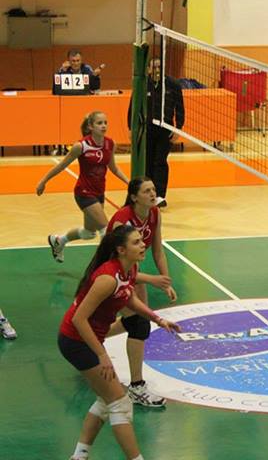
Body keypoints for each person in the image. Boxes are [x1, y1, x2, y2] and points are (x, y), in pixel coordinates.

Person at [58, 225, 180, 460]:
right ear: (121, 250)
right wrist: (102, 355)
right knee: (120, 403)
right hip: (76, 341)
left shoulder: (129, 269)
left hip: (87, 340)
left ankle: (79, 455)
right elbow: (79, 319)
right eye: (136, 242)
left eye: (141, 240)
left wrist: (157, 319)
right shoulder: (107, 278)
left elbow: (129, 299)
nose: (143, 245)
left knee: (106, 401)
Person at [105, 177, 177, 407]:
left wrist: (166, 281)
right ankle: (136, 387)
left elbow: (158, 251)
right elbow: (114, 263)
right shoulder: (122, 220)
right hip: (110, 275)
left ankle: (91, 337)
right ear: (134, 197)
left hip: (131, 271)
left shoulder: (155, 214)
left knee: (136, 321)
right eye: (147, 191)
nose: (153, 194)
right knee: (139, 323)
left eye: (153, 189)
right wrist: (150, 280)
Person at [37, 111, 129, 262]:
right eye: (99, 123)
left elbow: (114, 168)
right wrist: (43, 181)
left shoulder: (110, 144)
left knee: (88, 233)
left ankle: (59, 241)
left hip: (99, 192)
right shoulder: (81, 146)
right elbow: (62, 165)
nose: (104, 126)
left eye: (105, 122)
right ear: (90, 126)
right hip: (84, 193)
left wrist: (128, 182)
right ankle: (103, 265)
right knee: (105, 230)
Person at [146, 57, 185, 208]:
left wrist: (178, 128)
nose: (157, 70)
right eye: (154, 67)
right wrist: (131, 128)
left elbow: (180, 108)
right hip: (148, 129)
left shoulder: (173, 84)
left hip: (165, 130)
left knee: (160, 161)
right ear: (149, 69)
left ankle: (160, 195)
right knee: (148, 161)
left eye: (159, 67)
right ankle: (147, 194)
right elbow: (133, 106)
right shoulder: (144, 84)